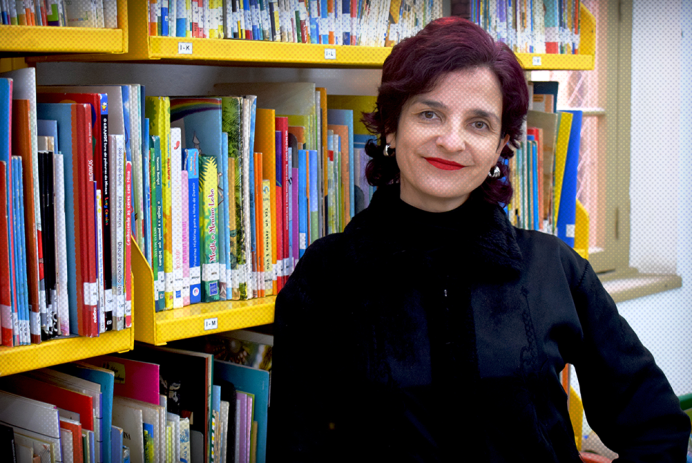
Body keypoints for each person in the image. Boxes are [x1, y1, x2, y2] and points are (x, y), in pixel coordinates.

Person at [268, 16, 691, 463]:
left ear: (501, 146)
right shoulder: (328, 274)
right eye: (429, 114)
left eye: (479, 124)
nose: (452, 141)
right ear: (391, 126)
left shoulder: (553, 268)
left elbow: (657, 428)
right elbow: (296, 448)